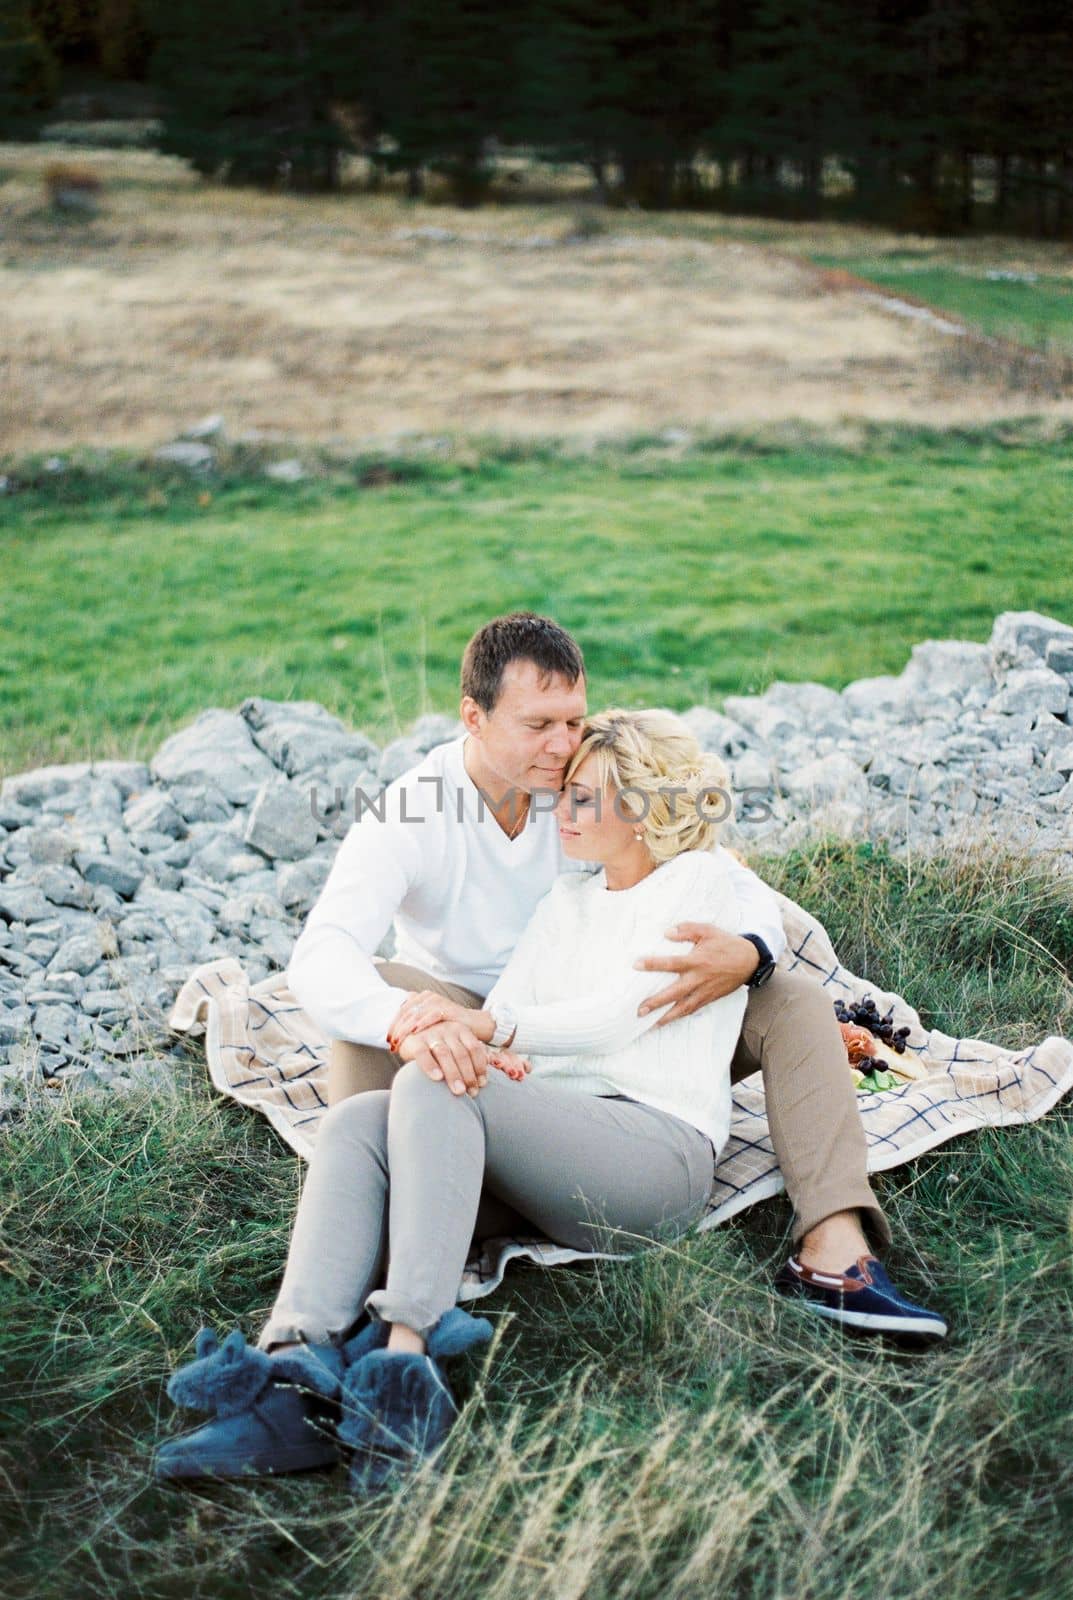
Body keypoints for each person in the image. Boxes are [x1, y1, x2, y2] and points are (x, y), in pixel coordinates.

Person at [153, 616, 946, 1490]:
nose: (564, 750)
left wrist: (750, 952)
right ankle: (292, 1371)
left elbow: (714, 892)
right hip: (508, 1047)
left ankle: (830, 1253)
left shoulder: (611, 805)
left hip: (605, 1077)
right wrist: (418, 1022)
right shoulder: (419, 814)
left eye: (575, 721)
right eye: (539, 727)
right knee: (364, 1121)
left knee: (788, 990)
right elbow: (326, 959)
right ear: (472, 719)